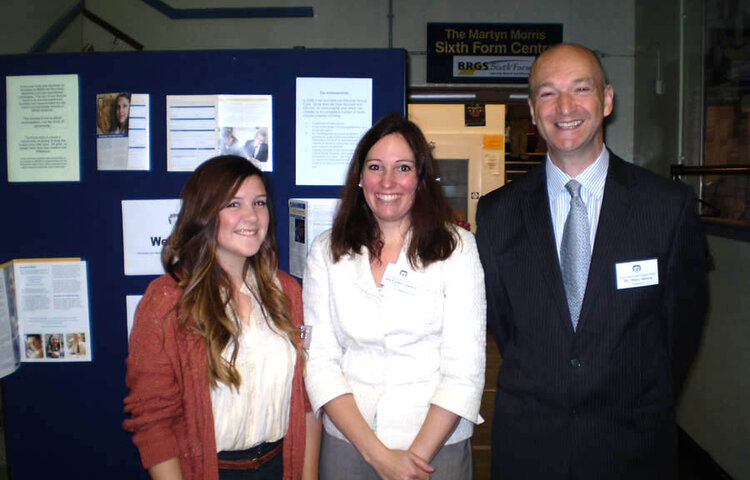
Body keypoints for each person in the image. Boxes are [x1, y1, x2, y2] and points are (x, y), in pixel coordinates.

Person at [475, 43, 709, 479]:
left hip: (633, 445)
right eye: (547, 93)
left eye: (581, 88)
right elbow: (505, 327)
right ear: (532, 109)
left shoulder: (667, 208)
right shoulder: (497, 214)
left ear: (606, 99)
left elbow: (682, 328)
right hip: (529, 448)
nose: (564, 106)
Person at [303, 113, 486, 480]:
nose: (388, 182)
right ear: (359, 177)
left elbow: (464, 370)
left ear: (420, 178)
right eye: (375, 167)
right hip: (349, 445)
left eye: (402, 167)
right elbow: (320, 361)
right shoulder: (327, 251)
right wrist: (378, 457)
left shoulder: (457, 249)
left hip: (436, 449)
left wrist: (411, 461)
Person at [123, 155, 321, 480]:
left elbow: (307, 400)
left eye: (259, 202)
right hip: (211, 470)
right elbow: (153, 419)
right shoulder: (167, 301)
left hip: (280, 464)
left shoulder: (286, 293)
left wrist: (308, 475)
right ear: (203, 214)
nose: (252, 216)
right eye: (233, 204)